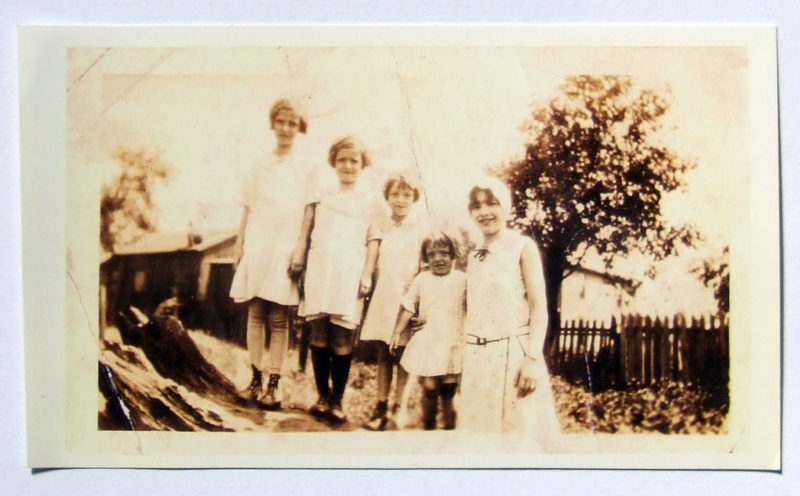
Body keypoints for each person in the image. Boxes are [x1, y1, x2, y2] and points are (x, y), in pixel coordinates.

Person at [460, 176, 561, 447]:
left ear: (506, 207)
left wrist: (531, 359)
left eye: (492, 203)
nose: (484, 212)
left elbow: (540, 307)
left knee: (518, 444)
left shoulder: (522, 246)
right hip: (479, 362)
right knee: (479, 446)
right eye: (477, 206)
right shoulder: (474, 253)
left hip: (514, 359)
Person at [290, 136, 383, 422]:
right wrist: (300, 257)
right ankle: (321, 396)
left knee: (342, 336)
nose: (348, 165)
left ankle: (338, 400)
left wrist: (366, 273)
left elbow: (374, 239)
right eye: (342, 159)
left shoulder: (370, 200)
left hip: (349, 273)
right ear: (333, 161)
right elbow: (306, 231)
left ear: (362, 164)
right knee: (318, 333)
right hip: (320, 268)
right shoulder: (321, 194)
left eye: (354, 160)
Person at [229, 98, 312, 409]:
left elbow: (309, 210)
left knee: (279, 318)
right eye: (282, 122)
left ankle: (273, 385)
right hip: (258, 245)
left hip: (286, 247)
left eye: (293, 124)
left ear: (300, 128)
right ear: (273, 124)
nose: (287, 128)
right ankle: (254, 379)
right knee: (255, 313)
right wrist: (239, 245)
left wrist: (300, 248)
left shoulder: (306, 166)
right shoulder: (258, 164)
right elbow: (247, 208)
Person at [360, 173, 426, 430]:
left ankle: (398, 408)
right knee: (383, 355)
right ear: (387, 197)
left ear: (414, 198)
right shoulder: (379, 224)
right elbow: (372, 259)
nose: (400, 200)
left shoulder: (420, 229)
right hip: (384, 297)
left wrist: (420, 302)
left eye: (406, 195)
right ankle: (380, 407)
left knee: (404, 355)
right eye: (395, 194)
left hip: (407, 299)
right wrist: (367, 277)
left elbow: (424, 266)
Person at [390, 232, 466, 430]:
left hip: (453, 341)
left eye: (444, 254)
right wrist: (397, 332)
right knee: (430, 387)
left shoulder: (462, 280)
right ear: (426, 258)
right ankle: (429, 428)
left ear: (453, 255)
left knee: (449, 390)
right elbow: (408, 306)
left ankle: (449, 431)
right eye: (432, 255)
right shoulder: (422, 279)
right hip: (430, 341)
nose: (438, 259)